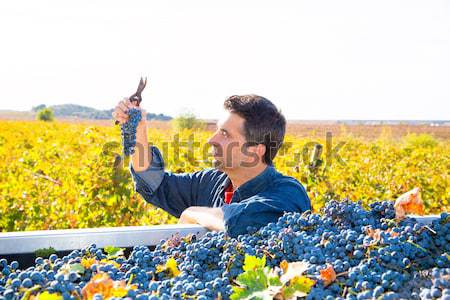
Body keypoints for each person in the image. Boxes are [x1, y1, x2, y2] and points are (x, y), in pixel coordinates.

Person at [112, 94, 311, 237]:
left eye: (225, 134)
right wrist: (138, 130)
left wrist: (192, 213)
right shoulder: (211, 181)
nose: (211, 140)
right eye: (217, 130)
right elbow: (155, 183)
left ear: (255, 150)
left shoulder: (289, 193)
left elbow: (244, 222)